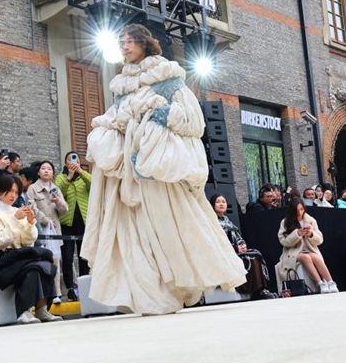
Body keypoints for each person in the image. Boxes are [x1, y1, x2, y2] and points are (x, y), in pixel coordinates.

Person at [82, 24, 246, 315]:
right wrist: (105, 128)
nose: (124, 46)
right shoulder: (122, 84)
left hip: (157, 169)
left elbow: (194, 121)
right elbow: (118, 117)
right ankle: (150, 295)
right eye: (121, 42)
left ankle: (174, 286)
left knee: (170, 229)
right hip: (130, 173)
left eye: (129, 40)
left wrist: (158, 115)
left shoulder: (167, 77)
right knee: (135, 232)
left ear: (145, 43)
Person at [0, 174, 62, 324]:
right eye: (9, 191)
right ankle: (23, 311)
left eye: (16, 192)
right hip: (0, 259)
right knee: (33, 268)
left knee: (46, 265)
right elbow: (1, 241)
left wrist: (30, 223)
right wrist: (15, 219)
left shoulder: (17, 211)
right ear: (0, 191)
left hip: (19, 255)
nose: (13, 195)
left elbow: (27, 241)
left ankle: (41, 309)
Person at [211, 195, 276, 300]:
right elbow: (214, 243)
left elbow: (238, 237)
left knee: (255, 255)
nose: (221, 204)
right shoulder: (211, 223)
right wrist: (235, 249)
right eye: (218, 202)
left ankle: (260, 289)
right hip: (221, 254)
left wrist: (242, 246)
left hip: (234, 251)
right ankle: (255, 290)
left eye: (223, 201)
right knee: (247, 259)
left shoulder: (228, 221)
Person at [276, 197, 338, 294]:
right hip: (293, 252)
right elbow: (284, 241)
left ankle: (330, 282)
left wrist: (311, 234)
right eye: (297, 210)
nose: (300, 212)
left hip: (310, 249)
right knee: (306, 257)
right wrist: (297, 234)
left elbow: (320, 239)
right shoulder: (285, 222)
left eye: (301, 209)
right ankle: (320, 283)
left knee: (315, 257)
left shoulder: (310, 220)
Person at [27, 161, 67, 303]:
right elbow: (31, 207)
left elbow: (64, 211)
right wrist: (44, 220)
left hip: (54, 231)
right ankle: (44, 295)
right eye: (43, 169)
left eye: (49, 169)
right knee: (42, 261)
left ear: (52, 173)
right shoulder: (32, 188)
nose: (46, 171)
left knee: (55, 261)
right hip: (39, 230)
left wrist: (58, 202)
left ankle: (56, 293)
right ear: (38, 172)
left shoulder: (56, 189)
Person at [56, 151, 91, 302]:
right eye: (69, 160)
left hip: (84, 222)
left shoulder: (84, 176)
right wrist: (69, 176)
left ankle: (85, 285)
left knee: (84, 256)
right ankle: (71, 288)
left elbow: (94, 185)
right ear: (65, 163)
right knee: (68, 257)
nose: (72, 162)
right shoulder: (61, 177)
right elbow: (57, 192)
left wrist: (80, 172)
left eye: (74, 159)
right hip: (66, 223)